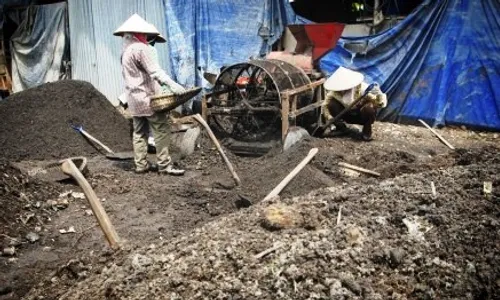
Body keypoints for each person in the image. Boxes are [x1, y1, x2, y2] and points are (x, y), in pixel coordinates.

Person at [114, 14, 186, 175]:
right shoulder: (141, 48)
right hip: (147, 98)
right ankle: (165, 165)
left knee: (139, 133)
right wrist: (173, 85)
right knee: (161, 129)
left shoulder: (125, 51)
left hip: (133, 98)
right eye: (145, 35)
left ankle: (141, 165)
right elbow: (155, 72)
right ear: (139, 33)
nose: (147, 37)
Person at [322, 66, 387, 141]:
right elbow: (325, 105)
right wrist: (330, 118)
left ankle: (367, 132)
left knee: (369, 108)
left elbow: (380, 104)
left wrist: (378, 95)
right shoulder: (335, 92)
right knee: (332, 104)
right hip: (346, 114)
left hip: (361, 115)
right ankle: (341, 128)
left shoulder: (363, 89)